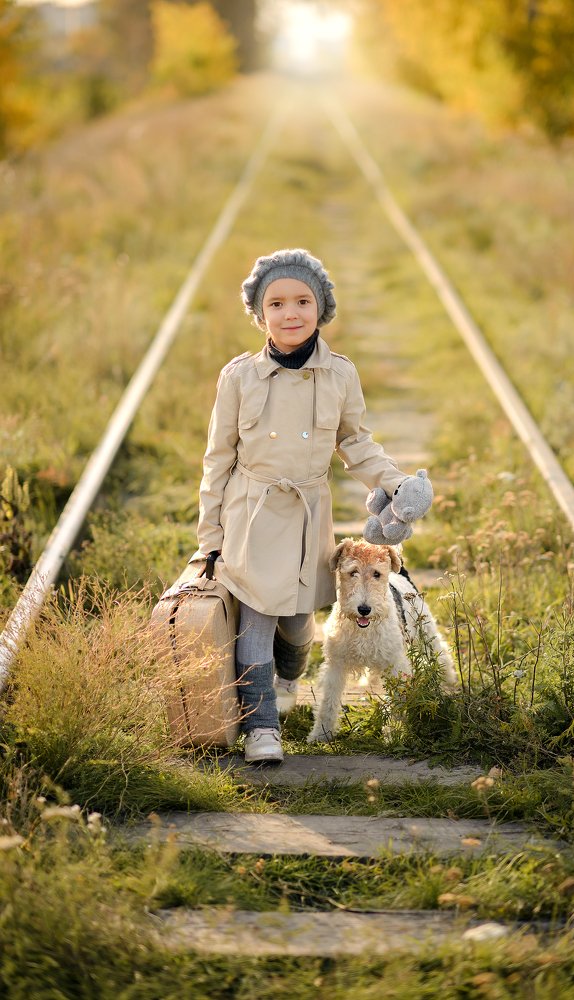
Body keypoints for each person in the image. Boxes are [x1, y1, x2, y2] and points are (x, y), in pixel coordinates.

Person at [192, 248, 409, 764]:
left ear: (322, 306)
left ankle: (289, 676)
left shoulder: (338, 374)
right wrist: (210, 539)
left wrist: (395, 481)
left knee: (295, 621)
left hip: (311, 514)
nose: (291, 314)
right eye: (277, 304)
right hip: (254, 512)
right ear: (260, 314)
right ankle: (261, 727)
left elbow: (356, 442)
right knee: (257, 620)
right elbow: (217, 460)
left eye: (303, 301)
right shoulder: (239, 377)